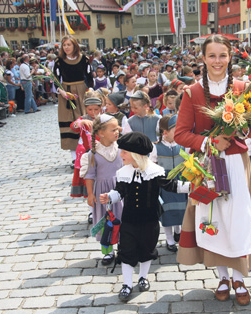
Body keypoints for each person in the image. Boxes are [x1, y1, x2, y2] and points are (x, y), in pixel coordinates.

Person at [174, 34, 251, 306]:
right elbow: (180, 134)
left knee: (238, 219)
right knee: (213, 218)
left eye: (222, 55)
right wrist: (208, 141)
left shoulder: (244, 88)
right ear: (203, 59)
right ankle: (221, 276)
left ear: (230, 57)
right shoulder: (193, 92)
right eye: (211, 56)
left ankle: (240, 277)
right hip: (207, 167)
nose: (217, 61)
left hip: (236, 164)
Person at [99, 132, 189, 301]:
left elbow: (172, 185)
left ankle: (143, 277)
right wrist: (109, 196)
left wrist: (192, 186)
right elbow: (120, 192)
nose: (121, 155)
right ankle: (127, 284)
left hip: (150, 220)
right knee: (126, 251)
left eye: (124, 152)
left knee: (147, 249)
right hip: (129, 220)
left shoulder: (154, 172)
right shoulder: (123, 173)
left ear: (136, 155)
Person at [83, 114, 123, 266]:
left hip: (119, 191)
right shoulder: (93, 154)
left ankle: (122, 247)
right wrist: (90, 194)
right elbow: (90, 175)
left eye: (117, 129)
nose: (117, 132)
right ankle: (108, 251)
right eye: (113, 130)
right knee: (105, 221)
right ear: (101, 133)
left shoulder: (121, 149)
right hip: (102, 193)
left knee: (121, 216)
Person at [53, 35, 94, 165]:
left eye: (68, 45)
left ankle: (87, 150)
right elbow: (55, 80)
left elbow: (89, 77)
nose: (66, 47)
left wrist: (90, 90)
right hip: (66, 92)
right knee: (70, 122)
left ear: (74, 45)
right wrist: (62, 92)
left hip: (81, 91)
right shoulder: (59, 61)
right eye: (64, 45)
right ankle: (74, 156)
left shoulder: (84, 60)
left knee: (84, 120)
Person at [149, 115, 187, 252]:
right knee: (167, 212)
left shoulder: (182, 146)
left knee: (181, 210)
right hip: (165, 183)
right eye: (175, 129)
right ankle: (169, 239)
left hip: (181, 182)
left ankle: (179, 230)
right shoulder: (156, 148)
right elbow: (152, 165)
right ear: (164, 132)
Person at [70, 94, 102, 199]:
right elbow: (73, 126)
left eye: (96, 109)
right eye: (90, 109)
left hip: (102, 151)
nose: (93, 112)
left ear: (101, 108)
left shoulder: (104, 118)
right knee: (89, 176)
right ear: (85, 108)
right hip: (88, 152)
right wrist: (81, 122)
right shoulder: (83, 119)